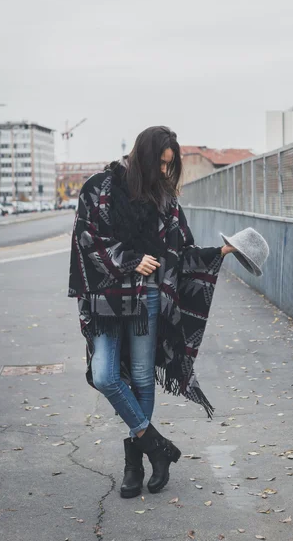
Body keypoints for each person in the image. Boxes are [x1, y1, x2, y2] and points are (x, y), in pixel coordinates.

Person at [68, 126, 235, 498]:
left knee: (143, 377)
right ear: (142, 157)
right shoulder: (98, 188)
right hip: (105, 303)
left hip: (148, 300)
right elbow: (86, 240)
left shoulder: (165, 200)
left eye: (168, 165)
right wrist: (129, 260)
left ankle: (135, 463)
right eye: (159, 163)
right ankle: (157, 445)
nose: (163, 171)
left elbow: (181, 252)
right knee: (105, 376)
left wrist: (219, 253)